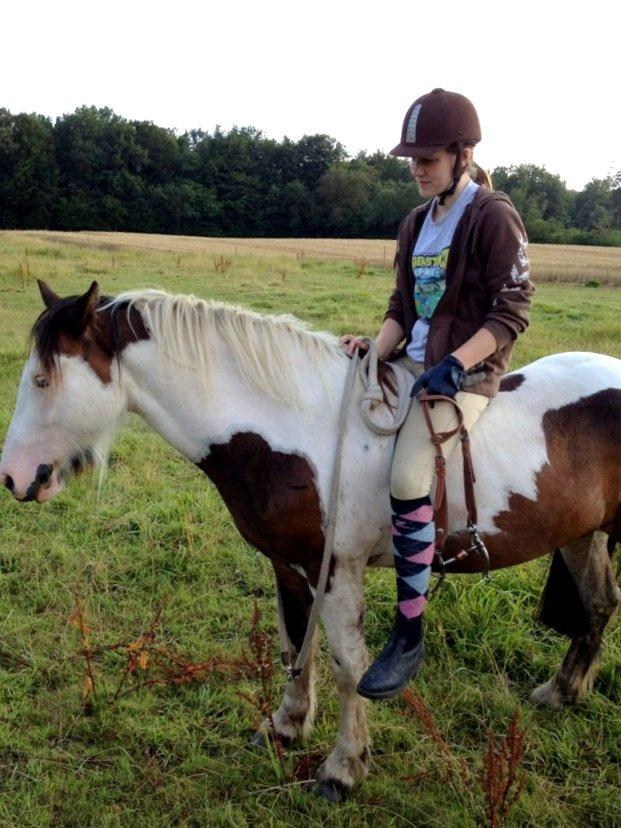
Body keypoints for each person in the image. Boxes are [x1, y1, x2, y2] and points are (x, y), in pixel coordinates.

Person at [339, 88, 534, 700]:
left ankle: (408, 631)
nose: (417, 170)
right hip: (413, 362)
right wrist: (375, 350)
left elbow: (512, 308)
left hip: (466, 374)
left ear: (462, 154)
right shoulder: (415, 223)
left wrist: (456, 364)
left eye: (428, 159)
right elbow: (403, 307)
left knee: (407, 474)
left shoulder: (492, 214)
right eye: (413, 160)